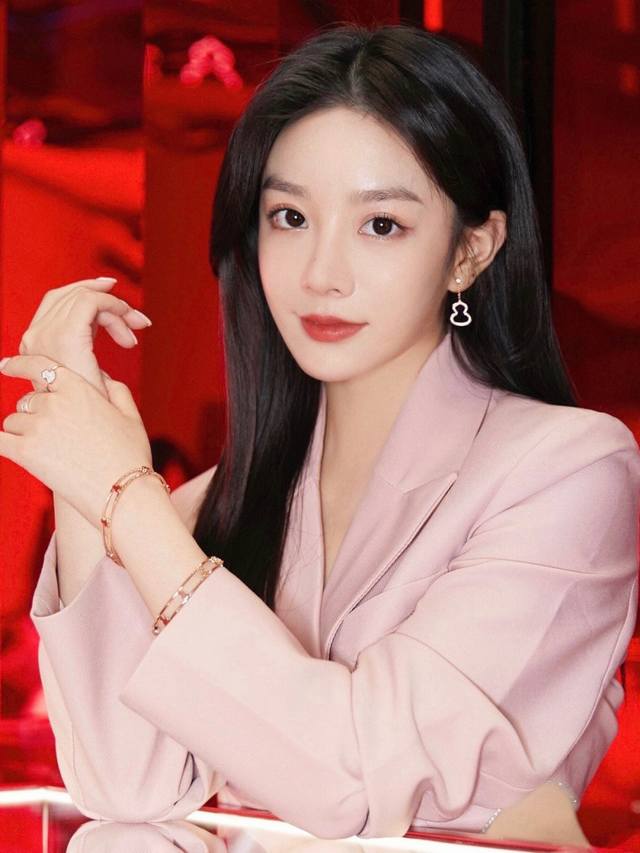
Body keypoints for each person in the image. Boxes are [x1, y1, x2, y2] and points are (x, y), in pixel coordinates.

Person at [0, 22, 638, 846]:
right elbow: (125, 782)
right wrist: (83, 475)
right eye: (290, 216)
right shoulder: (210, 507)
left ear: (470, 252)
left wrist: (126, 499)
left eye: (382, 225)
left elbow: (354, 779)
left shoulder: (569, 472)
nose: (321, 273)